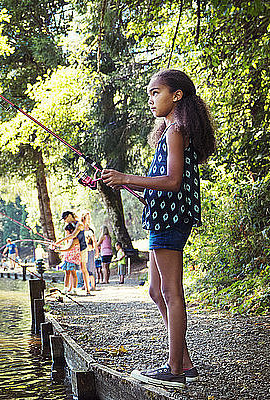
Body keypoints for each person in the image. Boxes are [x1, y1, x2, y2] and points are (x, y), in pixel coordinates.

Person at [102, 69, 216, 388]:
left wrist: (126, 177)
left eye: (156, 92)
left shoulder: (176, 130)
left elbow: (173, 181)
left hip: (171, 220)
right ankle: (185, 362)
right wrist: (125, 184)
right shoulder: (169, 131)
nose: (150, 99)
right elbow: (161, 186)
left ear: (176, 96)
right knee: (155, 291)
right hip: (163, 216)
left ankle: (175, 370)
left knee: (170, 291)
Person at [54, 211, 92, 296]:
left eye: (65, 218)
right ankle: (69, 289)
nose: (64, 221)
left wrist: (59, 241)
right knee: (70, 269)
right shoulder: (69, 226)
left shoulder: (79, 224)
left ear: (69, 216)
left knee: (83, 268)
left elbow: (73, 235)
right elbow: (68, 238)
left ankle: (88, 289)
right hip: (74, 250)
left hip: (82, 248)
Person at [82, 212, 97, 291]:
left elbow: (94, 241)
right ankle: (86, 284)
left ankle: (93, 285)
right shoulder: (80, 229)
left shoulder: (91, 230)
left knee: (90, 268)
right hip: (83, 250)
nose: (88, 220)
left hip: (90, 250)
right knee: (84, 268)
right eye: (87, 218)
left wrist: (96, 251)